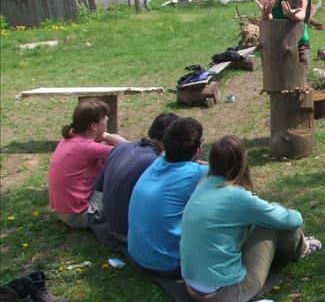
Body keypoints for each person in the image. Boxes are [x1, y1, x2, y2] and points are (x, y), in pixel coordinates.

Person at [181, 135, 322, 302]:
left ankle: (301, 245)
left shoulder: (202, 184)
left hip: (192, 287)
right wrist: (280, 210)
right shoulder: (237, 197)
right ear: (242, 162)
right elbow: (293, 220)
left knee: (260, 220)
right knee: (271, 223)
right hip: (226, 292)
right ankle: (303, 248)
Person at [127, 118, 208, 277]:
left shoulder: (158, 160)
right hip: (168, 265)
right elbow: (226, 172)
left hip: (136, 254)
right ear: (198, 150)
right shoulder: (196, 173)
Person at [93, 112, 179, 243]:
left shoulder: (121, 147)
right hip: (130, 232)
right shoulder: (156, 164)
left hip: (108, 223)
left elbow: (99, 186)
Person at [48, 98, 127, 229]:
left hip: (65, 213)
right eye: (104, 117)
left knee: (107, 160)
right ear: (94, 126)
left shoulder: (69, 139)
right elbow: (131, 152)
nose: (107, 118)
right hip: (81, 216)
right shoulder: (89, 148)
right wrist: (107, 136)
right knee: (127, 175)